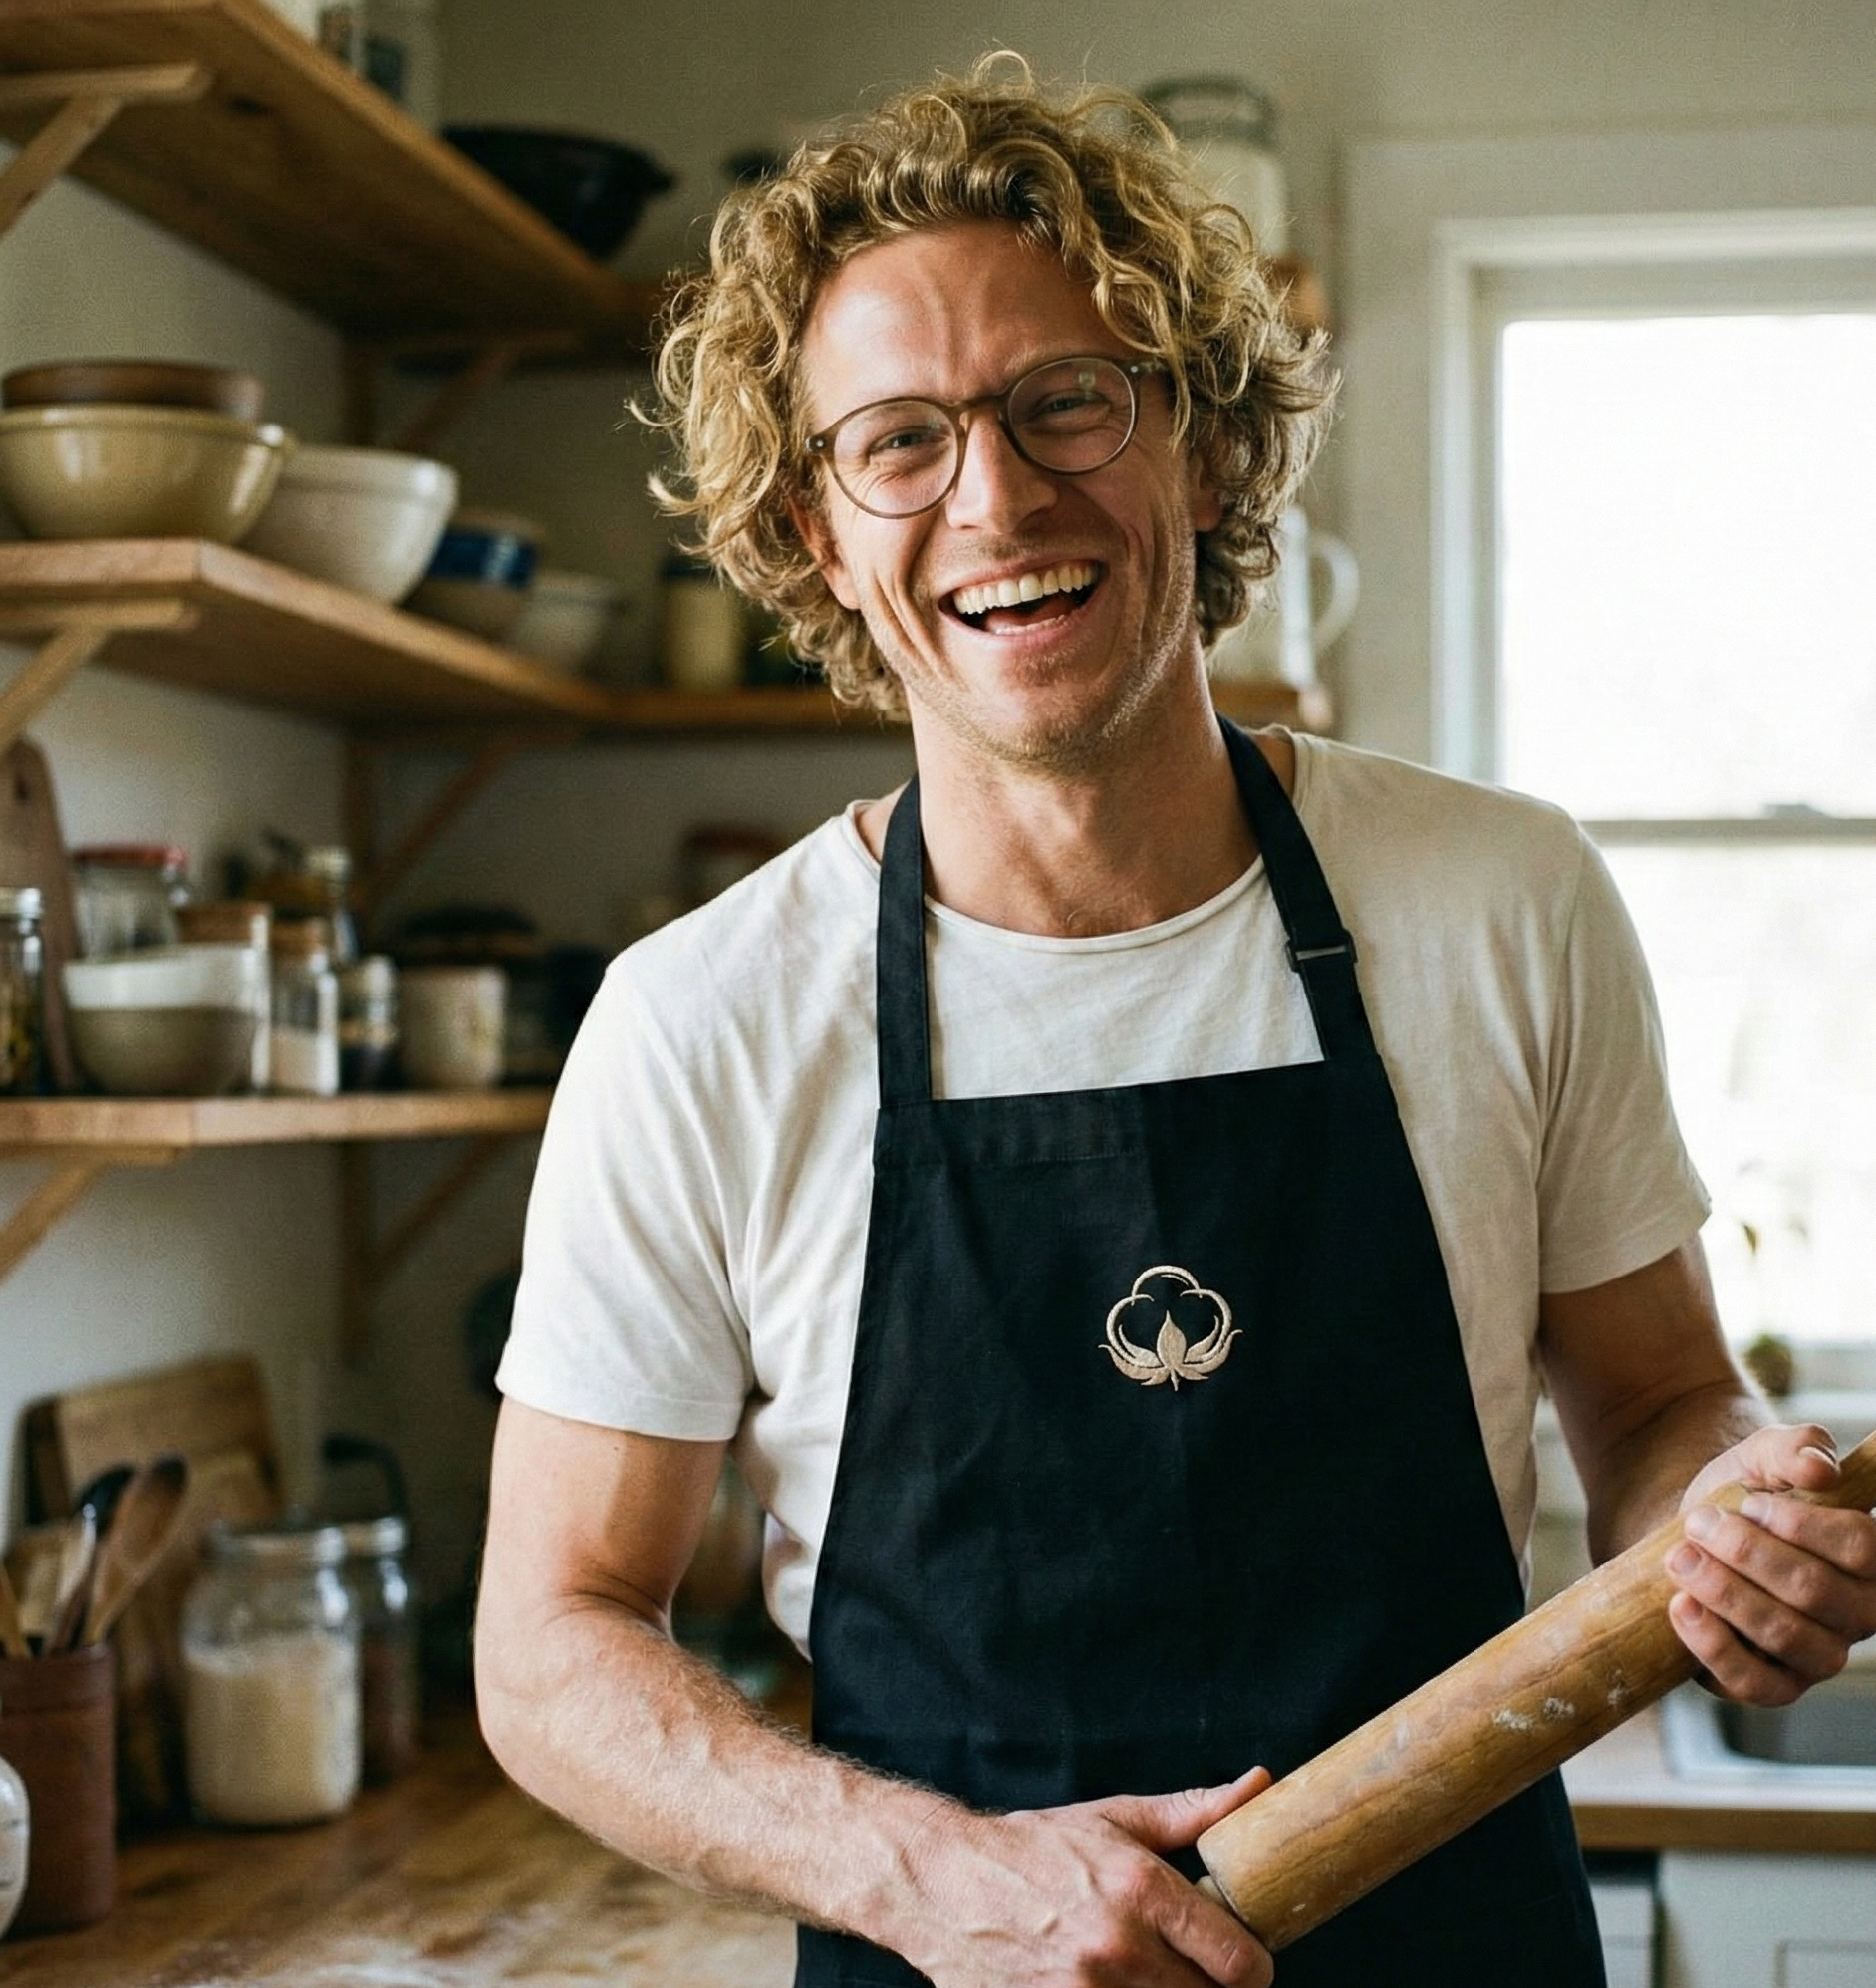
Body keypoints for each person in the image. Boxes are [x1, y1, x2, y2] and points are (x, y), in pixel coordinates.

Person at [475, 58, 1876, 1988]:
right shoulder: (702, 1019)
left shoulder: (1497, 897)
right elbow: (550, 1640)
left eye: (1066, 401)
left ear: (1205, 451)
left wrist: (1720, 1510)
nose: (993, 497)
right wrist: (927, 1872)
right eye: (897, 441)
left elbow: (1650, 1401)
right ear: (817, 530)